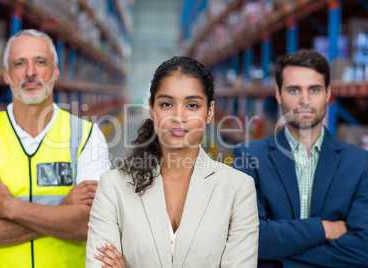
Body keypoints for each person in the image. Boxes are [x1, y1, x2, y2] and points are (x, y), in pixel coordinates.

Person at [86, 56, 259, 268]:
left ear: (209, 112)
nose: (178, 116)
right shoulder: (113, 187)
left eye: (192, 105)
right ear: (151, 108)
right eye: (166, 104)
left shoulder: (238, 189)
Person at [0, 29, 110, 268]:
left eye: (40, 62)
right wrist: (63, 211)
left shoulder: (87, 137)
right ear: (6, 74)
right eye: (19, 63)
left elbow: (89, 223)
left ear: (55, 71)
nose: (30, 72)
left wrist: (10, 208)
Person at [232, 50, 368, 268]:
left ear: (328, 93)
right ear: (278, 94)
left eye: (314, 89)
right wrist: (325, 228)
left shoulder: (362, 164)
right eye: (294, 90)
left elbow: (366, 248)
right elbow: (249, 238)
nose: (305, 100)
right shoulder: (249, 157)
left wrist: (283, 257)